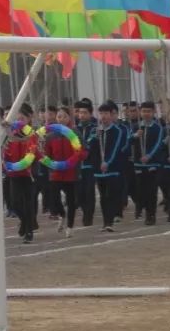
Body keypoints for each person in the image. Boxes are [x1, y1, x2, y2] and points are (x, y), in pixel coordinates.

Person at [47, 107, 84, 237]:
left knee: (71, 200)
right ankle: (62, 214)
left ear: (69, 118)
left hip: (71, 171)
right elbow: (47, 154)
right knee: (54, 198)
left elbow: (83, 150)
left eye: (64, 116)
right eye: (59, 116)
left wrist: (76, 160)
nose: (61, 119)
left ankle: (70, 226)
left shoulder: (75, 132)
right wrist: (50, 165)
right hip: (55, 171)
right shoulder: (51, 135)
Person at [91, 102, 127, 232]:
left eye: (106, 114)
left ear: (111, 115)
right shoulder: (96, 130)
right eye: (101, 114)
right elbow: (91, 148)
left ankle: (109, 221)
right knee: (102, 196)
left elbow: (116, 148)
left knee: (111, 195)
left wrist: (107, 162)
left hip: (113, 169)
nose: (103, 116)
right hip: (99, 171)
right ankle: (105, 221)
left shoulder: (117, 131)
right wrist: (93, 138)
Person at [5, 107, 38, 243]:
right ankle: (25, 222)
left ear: (28, 119)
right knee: (15, 203)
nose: (19, 122)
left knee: (29, 203)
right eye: (17, 119)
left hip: (29, 173)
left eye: (22, 119)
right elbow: (5, 153)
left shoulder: (32, 135)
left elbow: (34, 153)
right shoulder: (10, 135)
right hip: (14, 173)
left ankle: (29, 231)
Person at [133, 101, 166, 225]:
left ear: (153, 112)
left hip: (153, 164)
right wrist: (135, 136)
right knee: (140, 190)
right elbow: (128, 141)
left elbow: (158, 144)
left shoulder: (158, 127)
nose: (146, 114)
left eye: (148, 111)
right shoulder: (136, 126)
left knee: (151, 190)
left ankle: (151, 214)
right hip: (139, 164)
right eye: (143, 111)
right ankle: (141, 207)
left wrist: (149, 156)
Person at [74, 100, 97, 226]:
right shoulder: (75, 128)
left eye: (84, 113)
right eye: (80, 113)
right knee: (80, 193)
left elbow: (89, 143)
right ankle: (85, 211)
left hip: (90, 165)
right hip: (78, 166)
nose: (81, 115)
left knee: (89, 192)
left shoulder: (94, 129)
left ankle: (89, 216)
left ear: (90, 114)